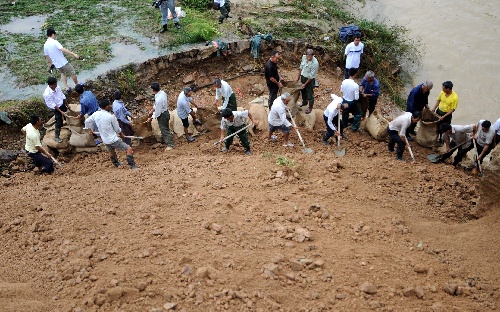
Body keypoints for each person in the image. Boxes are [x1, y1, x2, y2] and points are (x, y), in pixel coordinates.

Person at [85, 99, 137, 170]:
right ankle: (132, 166)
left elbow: (87, 121)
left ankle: (116, 164)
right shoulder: (110, 116)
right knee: (129, 149)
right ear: (106, 107)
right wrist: (121, 134)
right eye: (109, 105)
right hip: (113, 139)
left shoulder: (95, 114)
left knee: (111, 151)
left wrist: (90, 129)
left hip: (105, 139)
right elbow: (117, 129)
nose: (110, 106)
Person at [43, 28, 79, 93]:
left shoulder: (45, 45)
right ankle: (77, 84)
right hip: (63, 62)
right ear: (53, 34)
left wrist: (51, 63)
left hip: (56, 64)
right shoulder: (54, 42)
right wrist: (73, 54)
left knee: (62, 73)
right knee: (72, 72)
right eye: (55, 34)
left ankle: (66, 87)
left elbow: (47, 56)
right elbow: (62, 49)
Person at [147, 82, 175, 150]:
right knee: (165, 128)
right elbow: (156, 105)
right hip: (165, 112)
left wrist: (151, 118)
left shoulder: (159, 99)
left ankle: (170, 145)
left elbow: (158, 112)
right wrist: (152, 110)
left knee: (164, 129)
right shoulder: (162, 93)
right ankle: (167, 139)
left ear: (153, 90)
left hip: (162, 115)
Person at [43, 77, 68, 143]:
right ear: (51, 85)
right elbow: (53, 105)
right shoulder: (47, 94)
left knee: (67, 116)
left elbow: (62, 95)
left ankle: (69, 126)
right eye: (55, 84)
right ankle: (56, 136)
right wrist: (61, 112)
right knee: (59, 121)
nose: (56, 85)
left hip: (61, 103)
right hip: (55, 108)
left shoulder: (57, 87)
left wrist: (67, 105)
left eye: (56, 83)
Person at [297, 49, 319, 114]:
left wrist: (305, 84)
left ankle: (310, 107)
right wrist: (298, 77)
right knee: (302, 90)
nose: (308, 58)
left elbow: (311, 76)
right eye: (307, 56)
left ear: (313, 56)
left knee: (310, 93)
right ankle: (304, 101)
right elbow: (301, 67)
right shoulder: (304, 57)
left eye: (310, 56)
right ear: (306, 55)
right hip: (303, 76)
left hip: (309, 79)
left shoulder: (315, 63)